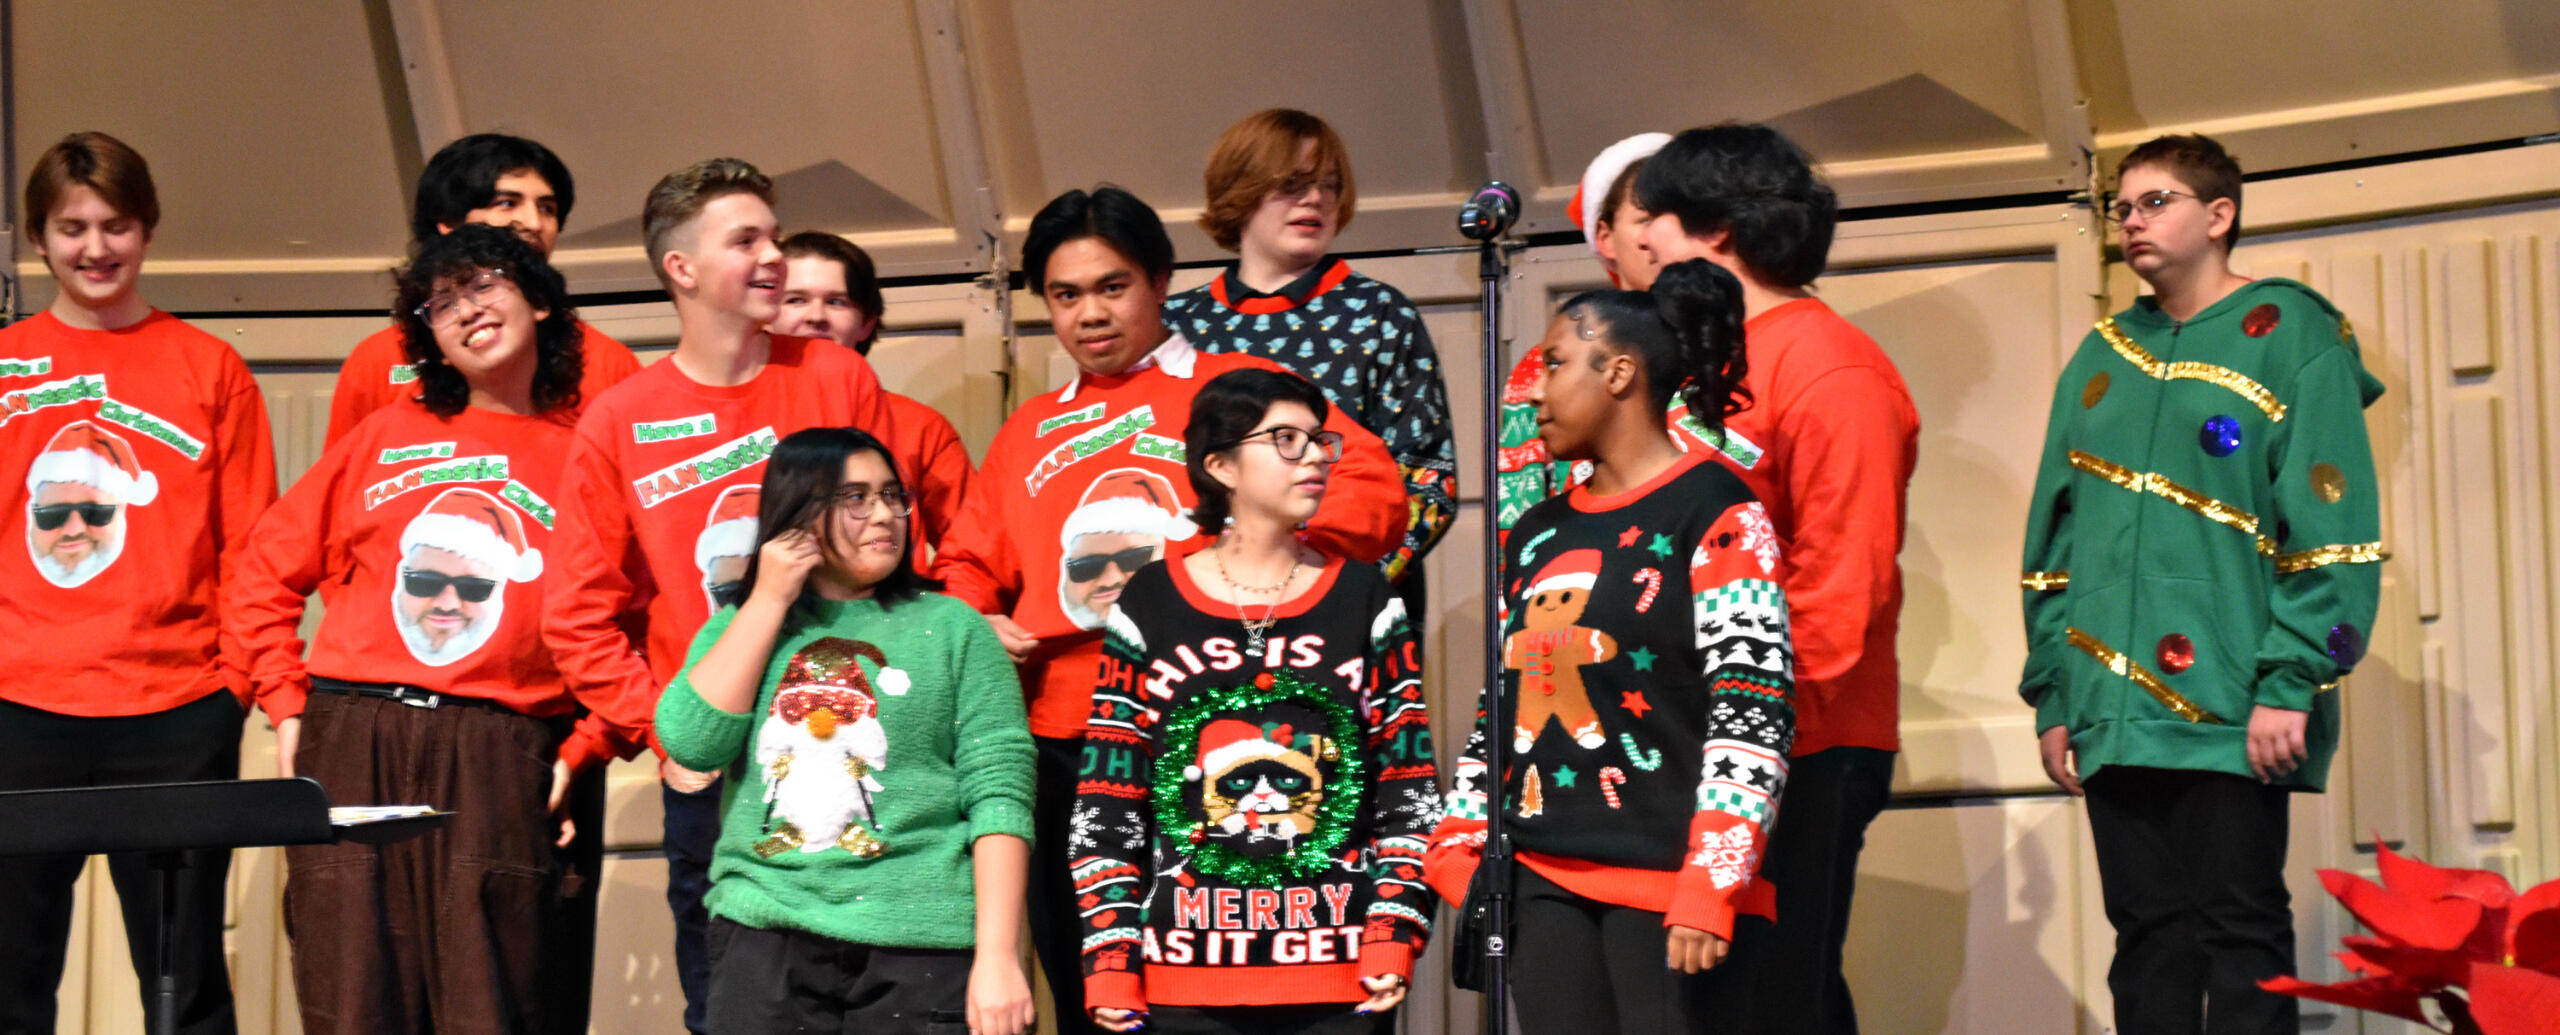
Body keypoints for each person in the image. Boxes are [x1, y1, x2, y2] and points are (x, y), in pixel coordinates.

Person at [935, 185, 1408, 1035]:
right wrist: (979, 620)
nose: (1090, 314)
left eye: (1112, 286)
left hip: (1225, 733)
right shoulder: (1029, 429)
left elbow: (1373, 498)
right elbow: (967, 563)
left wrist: (1218, 564)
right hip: (1068, 738)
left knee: (1233, 998)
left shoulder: (1240, 392)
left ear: (1160, 282)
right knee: (1097, 995)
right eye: (1066, 294)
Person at [2020, 133, 2383, 1034]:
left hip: (2231, 700)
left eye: (2157, 202)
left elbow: (2332, 522)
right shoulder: (2102, 355)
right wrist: (2055, 692)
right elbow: (2054, 540)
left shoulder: (2293, 332)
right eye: (2124, 207)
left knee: (2240, 927)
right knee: (2145, 934)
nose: (2132, 222)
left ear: (2219, 215)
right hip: (2111, 701)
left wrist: (2289, 681)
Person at [542, 157, 895, 1035]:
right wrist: (665, 730)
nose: (775, 256)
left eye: (774, 235)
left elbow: (894, 549)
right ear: (682, 269)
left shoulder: (835, 377)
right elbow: (577, 613)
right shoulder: (620, 417)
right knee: (732, 1004)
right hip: (721, 767)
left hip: (855, 741)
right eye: (747, 240)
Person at [229, 225, 602, 1033]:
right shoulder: (383, 436)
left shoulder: (586, 454)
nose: (467, 309)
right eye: (443, 302)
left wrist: (587, 746)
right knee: (353, 999)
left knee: (492, 1001)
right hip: (355, 735)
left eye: (485, 284)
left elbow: (633, 625)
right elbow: (262, 571)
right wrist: (287, 701)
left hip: (499, 744)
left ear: (538, 298)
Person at [1426, 258, 1794, 1035]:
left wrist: (1711, 879)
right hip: (1539, 876)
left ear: (1620, 371)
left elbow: (1753, 706)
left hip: (1667, 881)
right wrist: (1460, 831)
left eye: (1557, 363)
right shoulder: (1537, 530)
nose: (1532, 389)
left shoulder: (1718, 508)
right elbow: (1508, 696)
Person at [1628, 122, 1919, 1034]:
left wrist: (1748, 733)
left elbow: (1842, 583)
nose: (1641, 242)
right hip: (1695, 737)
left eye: (1656, 220)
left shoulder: (1831, 366)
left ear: (1717, 231)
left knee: (1771, 996)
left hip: (1802, 739)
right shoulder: (1696, 353)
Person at [0, 131, 277, 1035]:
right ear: (36, 237)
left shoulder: (210, 370)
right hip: (18, 709)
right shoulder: (7, 364)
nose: (94, 248)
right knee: (8, 973)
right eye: (71, 226)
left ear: (147, 229)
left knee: (182, 979)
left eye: (114, 224)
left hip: (176, 711)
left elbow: (252, 547)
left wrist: (234, 688)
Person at [1072, 368, 1435, 1035]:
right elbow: (1108, 794)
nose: (1317, 457)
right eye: (1286, 439)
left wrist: (1393, 929)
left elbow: (1406, 784)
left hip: (1341, 969)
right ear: (1220, 464)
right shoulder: (1150, 600)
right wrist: (1110, 955)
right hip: (1181, 969)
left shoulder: (1366, 596)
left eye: (1320, 440)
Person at [656, 426, 1035, 1035]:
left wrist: (998, 958)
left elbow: (1000, 798)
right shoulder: (748, 626)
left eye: (891, 495)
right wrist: (769, 599)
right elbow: (693, 743)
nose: (883, 513)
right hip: (765, 935)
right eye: (854, 498)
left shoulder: (955, 628)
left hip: (922, 942)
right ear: (798, 513)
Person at [1163, 109, 1457, 588]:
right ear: (1240, 191)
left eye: (1329, 185)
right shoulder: (1179, 324)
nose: (1315, 198)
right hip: (1200, 599)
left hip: (1340, 602)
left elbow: (1427, 482)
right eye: (1293, 183)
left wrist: (1333, 586)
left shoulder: (1378, 313)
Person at [325, 133, 642, 445]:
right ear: (448, 222)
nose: (533, 223)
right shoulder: (376, 360)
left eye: (548, 208)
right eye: (507, 203)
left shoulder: (609, 360)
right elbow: (344, 490)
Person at [1495, 132, 1667, 537]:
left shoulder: (1734, 350)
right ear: (1605, 238)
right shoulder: (1543, 368)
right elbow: (1517, 515)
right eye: (1646, 219)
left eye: (1682, 221)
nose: (1663, 238)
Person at [771, 230, 973, 568]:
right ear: (765, 314)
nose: (816, 316)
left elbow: (973, 550)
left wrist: (938, 620)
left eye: (836, 301)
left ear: (866, 323)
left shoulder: (921, 427)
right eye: (795, 300)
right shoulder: (737, 415)